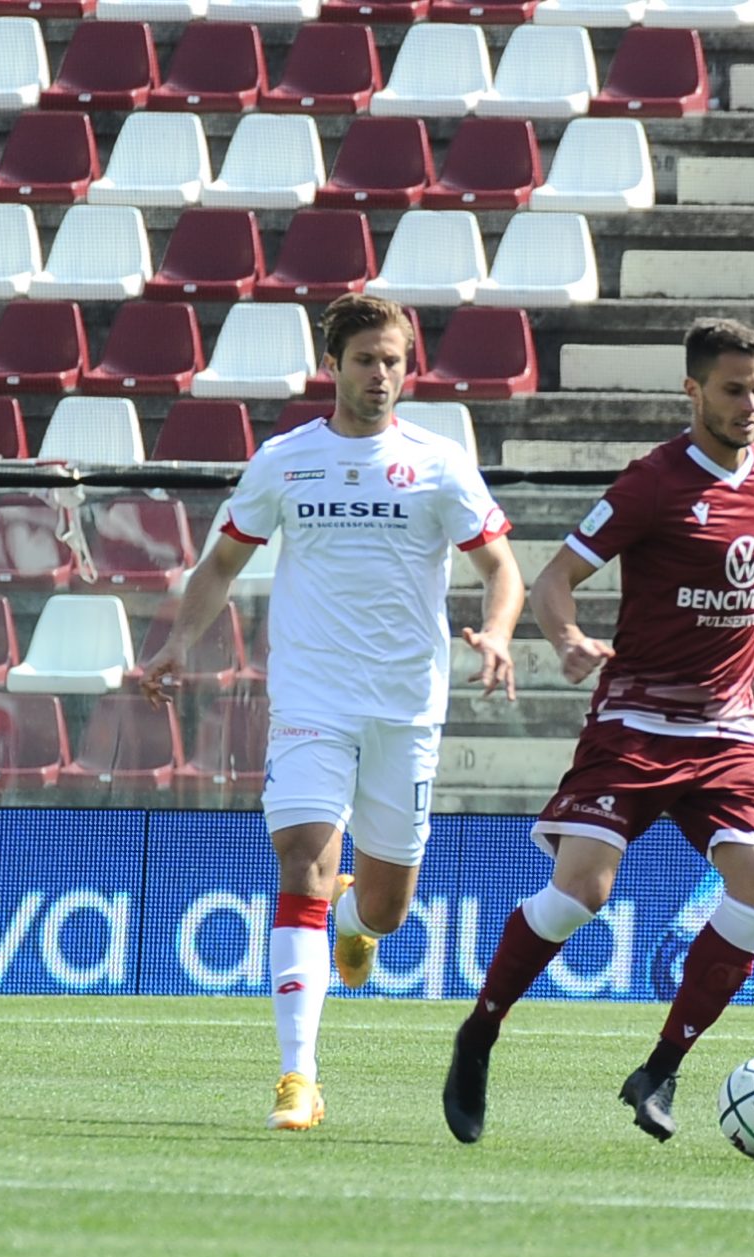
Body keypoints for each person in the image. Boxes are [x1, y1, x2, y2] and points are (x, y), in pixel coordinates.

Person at [441, 317, 754, 1145]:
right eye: (734, 390)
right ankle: (480, 1029)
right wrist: (568, 638)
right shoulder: (651, 483)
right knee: (583, 892)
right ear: (692, 390)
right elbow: (554, 579)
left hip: (727, 726)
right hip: (637, 719)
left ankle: (660, 1070)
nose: (750, 405)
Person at [140, 293, 523, 1132]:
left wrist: (496, 632)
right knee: (300, 868)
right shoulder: (286, 460)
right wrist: (176, 644)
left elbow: (502, 567)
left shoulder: (439, 462)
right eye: (365, 360)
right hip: (311, 698)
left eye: (393, 361)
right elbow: (221, 564)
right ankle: (297, 1077)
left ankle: (356, 918)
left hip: (406, 707)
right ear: (333, 366)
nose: (380, 375)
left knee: (386, 910)